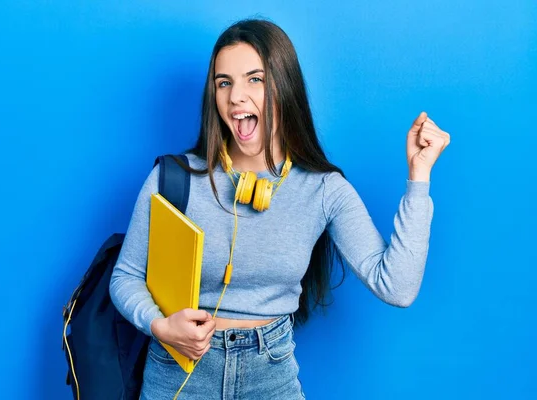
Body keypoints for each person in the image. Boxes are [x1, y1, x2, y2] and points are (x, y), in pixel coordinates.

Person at [109, 18, 450, 400]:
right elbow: (125, 276)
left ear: (283, 87)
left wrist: (418, 179)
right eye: (224, 82)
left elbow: (398, 287)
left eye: (254, 79)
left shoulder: (324, 190)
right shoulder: (174, 178)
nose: (236, 96)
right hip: (177, 372)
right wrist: (159, 326)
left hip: (270, 375)